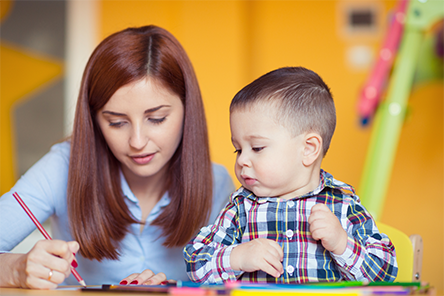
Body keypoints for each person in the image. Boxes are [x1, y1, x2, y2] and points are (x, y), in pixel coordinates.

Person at [0, 25, 234, 289]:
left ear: (187, 109)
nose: (137, 142)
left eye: (156, 119)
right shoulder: (61, 168)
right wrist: (14, 270)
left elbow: (236, 283)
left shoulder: (218, 185)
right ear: (94, 120)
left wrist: (175, 287)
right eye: (116, 122)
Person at [184, 67, 398, 283]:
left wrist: (342, 243)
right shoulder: (242, 207)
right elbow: (195, 263)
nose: (241, 160)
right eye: (238, 149)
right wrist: (237, 256)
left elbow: (386, 275)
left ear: (308, 149)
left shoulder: (343, 204)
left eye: (257, 148)